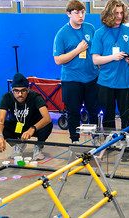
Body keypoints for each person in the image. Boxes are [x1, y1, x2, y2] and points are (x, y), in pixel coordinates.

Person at [91, 0, 129, 162]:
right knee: (108, 116)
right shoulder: (99, 33)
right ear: (108, 14)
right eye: (116, 13)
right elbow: (96, 60)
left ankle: (126, 147)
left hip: (125, 83)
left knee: (126, 117)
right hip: (106, 82)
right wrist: (113, 57)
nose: (119, 16)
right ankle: (109, 144)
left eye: (121, 13)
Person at [53, 0, 99, 143]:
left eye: (83, 12)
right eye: (77, 12)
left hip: (91, 78)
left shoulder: (90, 28)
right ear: (68, 14)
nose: (81, 16)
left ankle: (95, 138)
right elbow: (58, 60)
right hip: (71, 80)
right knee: (73, 112)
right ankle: (75, 140)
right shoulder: (62, 34)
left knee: (93, 111)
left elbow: (96, 50)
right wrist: (77, 50)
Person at [0, 73, 53, 161]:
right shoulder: (7, 97)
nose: (20, 94)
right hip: (18, 126)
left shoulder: (36, 97)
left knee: (48, 124)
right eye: (16, 91)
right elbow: (0, 120)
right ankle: (18, 144)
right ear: (12, 90)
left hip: (34, 126)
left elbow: (47, 118)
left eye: (23, 90)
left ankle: (38, 146)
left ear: (28, 89)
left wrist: (32, 129)